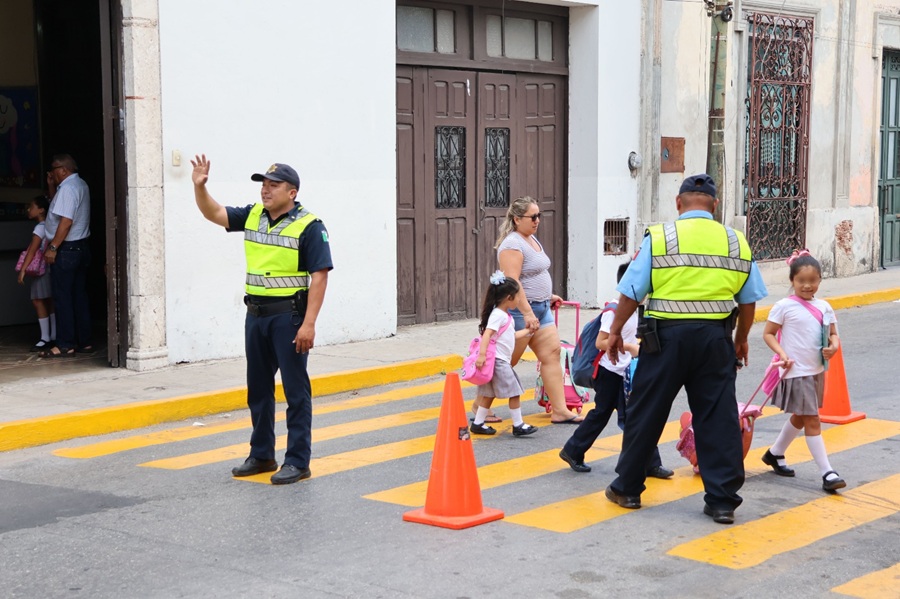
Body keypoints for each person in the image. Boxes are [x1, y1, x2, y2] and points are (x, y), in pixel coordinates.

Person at [603, 173, 767, 525]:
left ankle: (628, 488)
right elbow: (749, 298)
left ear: (678, 203)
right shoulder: (735, 241)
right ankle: (722, 501)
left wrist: (615, 331)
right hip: (715, 341)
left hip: (664, 342)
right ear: (715, 206)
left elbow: (632, 291)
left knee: (646, 412)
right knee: (718, 417)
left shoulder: (661, 237)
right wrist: (740, 338)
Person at [191, 155, 332, 485]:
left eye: (273, 186)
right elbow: (214, 213)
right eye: (263, 185)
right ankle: (262, 454)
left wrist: (309, 324)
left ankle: (298, 460)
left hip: (289, 317)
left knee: (296, 391)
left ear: (292, 192)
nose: (265, 191)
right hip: (255, 316)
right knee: (258, 389)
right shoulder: (254, 215)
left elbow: (320, 276)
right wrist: (200, 187)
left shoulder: (310, 226)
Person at [559, 262, 673, 479]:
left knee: (635, 415)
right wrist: (629, 347)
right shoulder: (613, 311)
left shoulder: (635, 310)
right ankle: (573, 450)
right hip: (609, 372)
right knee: (606, 413)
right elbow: (602, 342)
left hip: (625, 371)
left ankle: (650, 462)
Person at [485, 196, 584, 424]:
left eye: (539, 216)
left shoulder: (530, 239)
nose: (537, 220)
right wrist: (528, 312)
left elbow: (534, 274)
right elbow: (513, 282)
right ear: (517, 219)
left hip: (541, 308)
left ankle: (559, 410)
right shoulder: (512, 244)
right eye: (533, 216)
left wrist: (547, 296)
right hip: (520, 312)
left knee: (552, 355)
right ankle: (481, 407)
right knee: (506, 361)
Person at [761, 250, 845, 493]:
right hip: (795, 371)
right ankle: (827, 472)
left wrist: (833, 347)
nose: (807, 286)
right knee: (812, 418)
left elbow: (834, 335)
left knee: (801, 415)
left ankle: (775, 453)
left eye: (813, 281)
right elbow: (768, 333)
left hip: (817, 370)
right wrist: (783, 354)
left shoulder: (825, 306)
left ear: (820, 280)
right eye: (801, 281)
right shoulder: (784, 306)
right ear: (792, 281)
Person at [470, 270, 538, 437]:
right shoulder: (498, 315)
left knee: (488, 393)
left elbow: (511, 336)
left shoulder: (504, 316)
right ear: (509, 298)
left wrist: (528, 332)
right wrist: (482, 355)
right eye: (518, 296)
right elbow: (487, 334)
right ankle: (518, 424)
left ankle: (478, 423)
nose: (520, 300)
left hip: (497, 361)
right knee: (514, 391)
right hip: (498, 361)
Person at [41, 154, 92, 357]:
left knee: (62, 297)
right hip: (80, 248)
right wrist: (52, 186)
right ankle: (84, 341)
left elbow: (66, 221)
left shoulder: (68, 189)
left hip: (66, 250)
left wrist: (53, 247)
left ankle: (65, 344)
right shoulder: (78, 185)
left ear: (63, 169)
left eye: (53, 169)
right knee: (78, 296)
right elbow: (58, 207)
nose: (51, 173)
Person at [17, 195, 55, 351]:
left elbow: (32, 250)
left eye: (32, 207)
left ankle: (45, 337)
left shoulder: (39, 228)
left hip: (41, 270)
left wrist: (23, 270)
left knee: (38, 300)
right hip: (50, 267)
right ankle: (54, 335)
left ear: (41, 210)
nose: (28, 209)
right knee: (50, 300)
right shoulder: (50, 225)